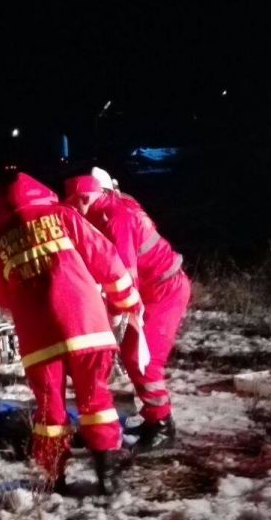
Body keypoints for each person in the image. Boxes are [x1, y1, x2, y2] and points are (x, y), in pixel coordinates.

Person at [0, 173, 142, 494]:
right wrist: (127, 300)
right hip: (86, 326)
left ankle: (54, 478)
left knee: (49, 409)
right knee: (96, 400)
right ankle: (107, 473)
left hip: (38, 339)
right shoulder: (62, 215)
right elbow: (105, 257)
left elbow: (1, 295)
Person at [65, 171, 190, 453]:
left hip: (165, 291)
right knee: (135, 357)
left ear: (83, 198)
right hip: (155, 289)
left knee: (144, 360)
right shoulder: (111, 209)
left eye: (75, 203)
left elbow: (123, 275)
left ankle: (162, 425)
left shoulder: (115, 218)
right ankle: (154, 419)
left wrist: (111, 315)